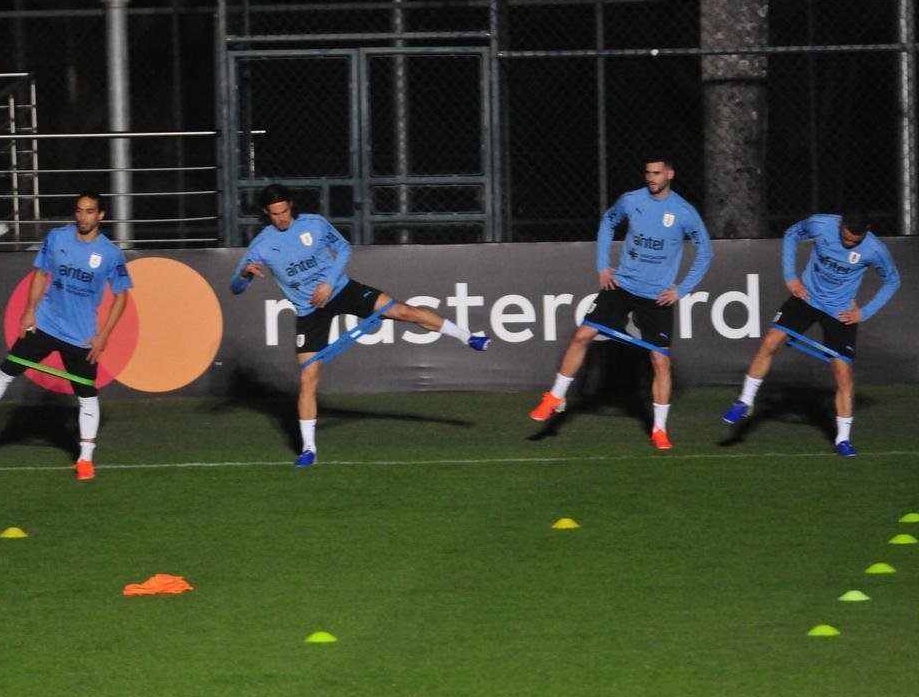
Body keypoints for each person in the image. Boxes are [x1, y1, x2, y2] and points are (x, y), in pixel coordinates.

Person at [230, 183, 491, 467]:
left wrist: (329, 282)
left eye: (284, 211)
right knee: (307, 378)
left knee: (404, 311)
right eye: (274, 214)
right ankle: (309, 450)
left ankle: (468, 337)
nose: (281, 218)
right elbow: (236, 287)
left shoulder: (314, 224)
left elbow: (343, 248)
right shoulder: (261, 244)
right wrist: (245, 274)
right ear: (265, 213)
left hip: (341, 291)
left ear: (291, 205)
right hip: (309, 311)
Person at [0, 191, 132, 480]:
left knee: (86, 395)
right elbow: (41, 274)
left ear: (101, 215)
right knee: (5, 371)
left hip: (81, 337)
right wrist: (30, 310)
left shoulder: (109, 254)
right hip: (45, 323)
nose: (83, 217)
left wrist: (104, 334)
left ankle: (84, 459)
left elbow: (121, 296)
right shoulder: (57, 238)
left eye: (90, 211)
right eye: (80, 211)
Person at [529, 154, 713, 449]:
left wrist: (682, 290)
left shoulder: (684, 212)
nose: (651, 178)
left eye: (656, 173)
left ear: (670, 175)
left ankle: (659, 429)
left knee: (660, 362)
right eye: (647, 173)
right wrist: (603, 265)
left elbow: (706, 253)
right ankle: (555, 396)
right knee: (582, 336)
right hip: (622, 286)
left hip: (657, 297)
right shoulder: (630, 200)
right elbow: (608, 222)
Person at [720, 210, 900, 456]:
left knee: (843, 373)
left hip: (840, 311)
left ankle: (843, 440)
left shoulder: (874, 249)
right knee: (771, 340)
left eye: (854, 242)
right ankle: (745, 400)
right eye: (845, 238)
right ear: (841, 224)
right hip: (807, 298)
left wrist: (865, 312)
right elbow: (791, 234)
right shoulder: (820, 225)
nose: (848, 244)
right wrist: (790, 277)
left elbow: (892, 280)